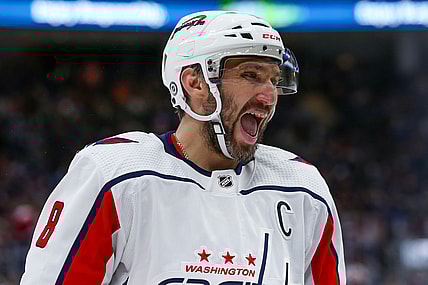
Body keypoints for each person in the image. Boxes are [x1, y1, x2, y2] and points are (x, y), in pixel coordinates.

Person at [21, 10, 346, 285]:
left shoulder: (304, 189)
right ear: (194, 82)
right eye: (250, 75)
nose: (268, 95)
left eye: (274, 80)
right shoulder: (115, 176)